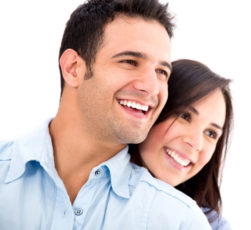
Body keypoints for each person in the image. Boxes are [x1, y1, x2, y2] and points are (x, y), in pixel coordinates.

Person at [0, 1, 211, 229]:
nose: (152, 87)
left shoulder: (179, 221)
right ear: (73, 68)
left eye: (161, 72)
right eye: (130, 62)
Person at [130, 59, 233, 230]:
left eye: (210, 133)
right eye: (185, 116)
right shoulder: (86, 186)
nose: (196, 143)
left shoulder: (212, 225)